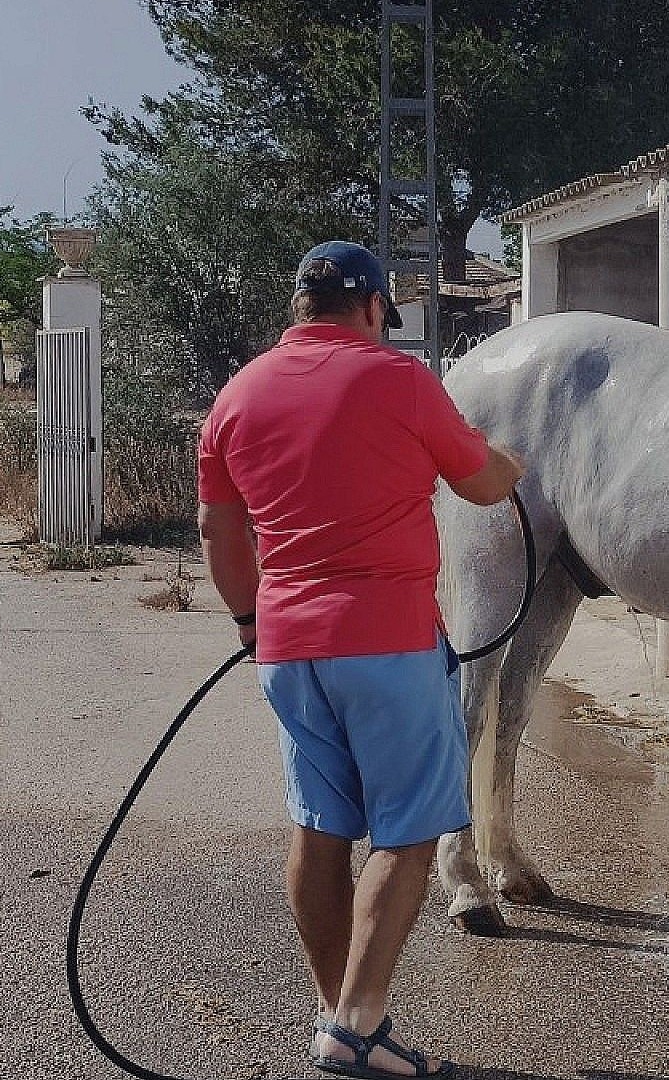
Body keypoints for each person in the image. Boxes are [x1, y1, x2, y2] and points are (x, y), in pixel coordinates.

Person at [197, 240, 523, 1078]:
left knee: (319, 827)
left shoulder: (236, 397)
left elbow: (220, 532)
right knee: (409, 834)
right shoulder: (400, 381)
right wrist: (513, 457)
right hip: (387, 642)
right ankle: (358, 1024)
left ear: (301, 307)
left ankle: (337, 1014)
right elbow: (485, 485)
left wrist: (248, 623)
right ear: (375, 307)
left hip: (287, 649)